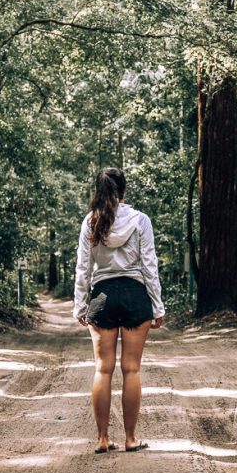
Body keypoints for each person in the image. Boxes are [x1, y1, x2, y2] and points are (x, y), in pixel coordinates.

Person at [73, 167, 165, 454]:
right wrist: (157, 305)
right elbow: (149, 266)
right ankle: (130, 439)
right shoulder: (140, 221)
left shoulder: (91, 221)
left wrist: (80, 303)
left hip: (101, 295)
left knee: (103, 368)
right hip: (136, 294)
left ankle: (102, 439)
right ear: (123, 191)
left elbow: (83, 267)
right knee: (131, 368)